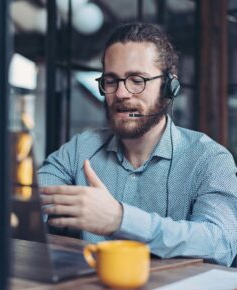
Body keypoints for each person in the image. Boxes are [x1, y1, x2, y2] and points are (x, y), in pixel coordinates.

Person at [38, 22, 237, 266]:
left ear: (168, 87)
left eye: (137, 80)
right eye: (111, 81)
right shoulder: (80, 150)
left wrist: (120, 220)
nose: (121, 93)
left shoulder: (209, 159)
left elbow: (220, 244)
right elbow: (30, 204)